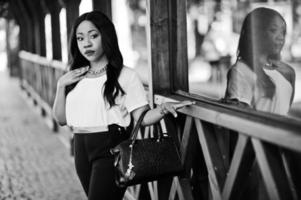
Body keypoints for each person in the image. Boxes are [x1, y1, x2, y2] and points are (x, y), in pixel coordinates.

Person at [52, 11, 194, 200]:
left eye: (93, 36)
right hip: (80, 148)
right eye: (80, 38)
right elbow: (61, 119)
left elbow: (141, 118)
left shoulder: (125, 75)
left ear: (106, 36)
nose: (86, 43)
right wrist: (61, 84)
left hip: (110, 149)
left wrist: (162, 110)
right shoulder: (74, 77)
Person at [224, 7, 295, 115]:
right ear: (257, 33)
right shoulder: (241, 71)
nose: (280, 37)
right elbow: (237, 119)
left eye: (283, 32)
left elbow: (283, 112)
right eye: (273, 30)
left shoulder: (288, 72)